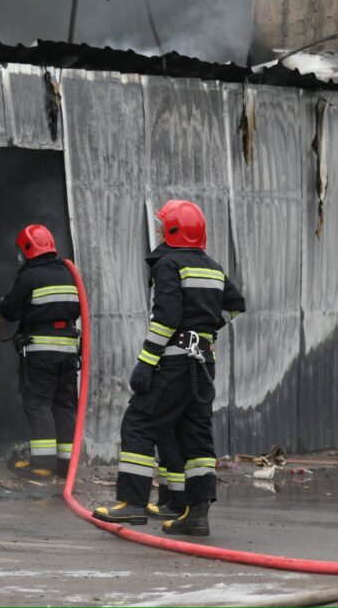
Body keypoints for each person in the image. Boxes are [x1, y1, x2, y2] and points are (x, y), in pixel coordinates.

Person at [93, 200, 245, 535]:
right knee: (196, 438)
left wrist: (146, 362)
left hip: (174, 362)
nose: (160, 231)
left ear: (174, 231)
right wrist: (205, 328)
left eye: (163, 227)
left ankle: (131, 504)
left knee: (140, 423)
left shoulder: (168, 263)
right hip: (204, 363)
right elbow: (236, 304)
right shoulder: (213, 267)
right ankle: (196, 515)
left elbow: (166, 318)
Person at [0, 224, 80, 479]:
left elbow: (11, 312)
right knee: (63, 404)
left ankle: (43, 465)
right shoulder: (69, 273)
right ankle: (66, 465)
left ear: (27, 248)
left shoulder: (29, 276)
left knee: (38, 403)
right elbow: (77, 310)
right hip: (68, 352)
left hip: (41, 353)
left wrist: (5, 303)